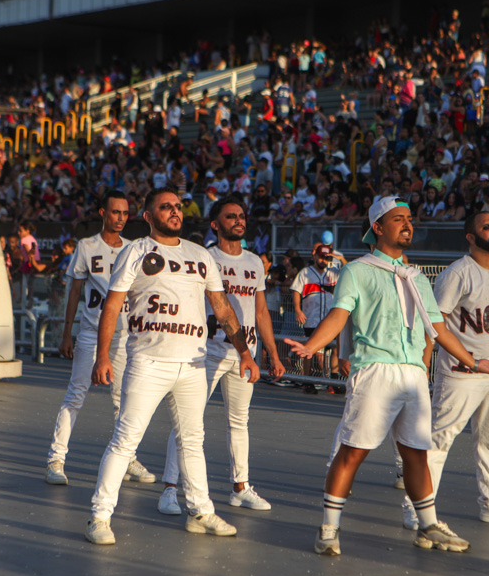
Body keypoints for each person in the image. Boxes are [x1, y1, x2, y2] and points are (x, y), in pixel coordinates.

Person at [286, 197, 489, 557]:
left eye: (409, 219)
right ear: (377, 227)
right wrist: (312, 346)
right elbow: (339, 316)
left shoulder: (417, 277)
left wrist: (474, 362)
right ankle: (328, 529)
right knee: (353, 452)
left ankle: (428, 527)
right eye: (398, 219)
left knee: (416, 455)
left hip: (413, 374)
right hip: (375, 370)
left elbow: (439, 330)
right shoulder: (357, 271)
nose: (407, 224)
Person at [83, 188, 260, 545]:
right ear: (148, 217)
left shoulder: (199, 254)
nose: (175, 211)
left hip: (193, 363)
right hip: (148, 361)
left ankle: (200, 511)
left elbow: (222, 308)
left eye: (178, 206)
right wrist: (103, 356)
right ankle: (100, 517)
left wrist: (245, 352)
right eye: (166, 207)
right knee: (125, 440)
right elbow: (113, 307)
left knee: (193, 440)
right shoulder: (136, 250)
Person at [402, 211, 489, 530]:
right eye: (487, 227)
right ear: (470, 237)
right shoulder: (457, 273)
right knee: (438, 439)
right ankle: (416, 506)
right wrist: (424, 361)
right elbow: (434, 323)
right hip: (462, 373)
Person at [158, 195, 287, 514]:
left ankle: (240, 487)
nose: (239, 220)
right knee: (187, 421)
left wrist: (272, 352)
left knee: (239, 421)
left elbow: (261, 312)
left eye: (242, 216)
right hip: (206, 351)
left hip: (245, 353)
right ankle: (170, 489)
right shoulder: (203, 257)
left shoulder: (255, 262)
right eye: (231, 216)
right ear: (215, 224)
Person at [44, 190, 156, 487]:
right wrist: (67, 333)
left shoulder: (135, 248)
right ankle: (56, 458)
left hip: (123, 336)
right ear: (103, 213)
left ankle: (128, 457)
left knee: (125, 400)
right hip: (91, 332)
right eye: (115, 212)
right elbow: (75, 292)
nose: (120, 218)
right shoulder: (86, 246)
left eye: (125, 213)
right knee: (76, 395)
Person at [291, 244, 341, 394]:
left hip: (330, 320)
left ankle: (333, 380)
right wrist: (297, 309)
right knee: (310, 351)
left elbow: (347, 270)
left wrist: (338, 257)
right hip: (312, 318)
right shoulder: (306, 272)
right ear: (314, 256)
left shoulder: (333, 273)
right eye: (321, 257)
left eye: (326, 258)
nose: (323, 260)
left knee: (335, 348)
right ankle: (307, 381)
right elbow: (295, 291)